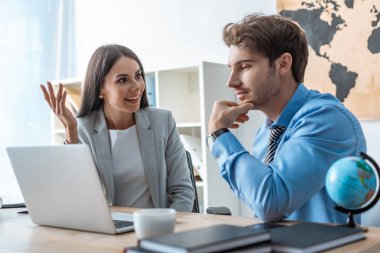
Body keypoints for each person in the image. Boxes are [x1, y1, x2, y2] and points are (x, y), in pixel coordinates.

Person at [207, 13, 366, 223]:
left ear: (283, 64)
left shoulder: (327, 119)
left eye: (245, 66)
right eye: (231, 68)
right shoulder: (264, 134)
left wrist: (220, 135)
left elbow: (269, 203)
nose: (231, 82)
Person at [41, 44, 195, 212]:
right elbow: (76, 192)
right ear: (100, 88)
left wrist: (170, 228)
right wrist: (71, 129)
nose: (137, 86)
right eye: (122, 80)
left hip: (158, 227)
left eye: (138, 76)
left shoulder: (162, 122)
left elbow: (183, 191)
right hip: (108, 230)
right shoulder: (82, 128)